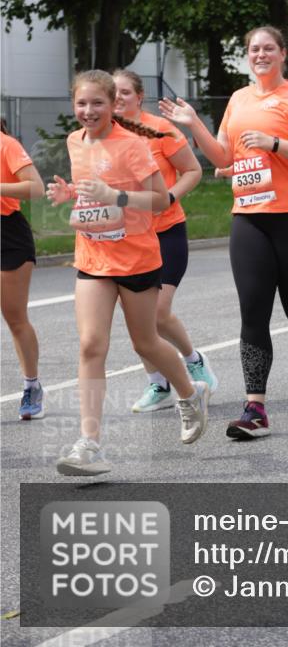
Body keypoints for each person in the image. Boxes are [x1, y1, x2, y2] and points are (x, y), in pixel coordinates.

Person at [160, 27, 288, 440]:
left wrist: (274, 143)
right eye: (254, 49)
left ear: (282, 54)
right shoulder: (238, 99)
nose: (261, 54)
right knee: (253, 312)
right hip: (249, 217)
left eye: (269, 48)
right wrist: (194, 124)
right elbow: (223, 155)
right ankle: (255, 409)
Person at [47, 70, 209, 476]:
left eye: (97, 103)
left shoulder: (133, 144)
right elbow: (92, 190)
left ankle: (190, 393)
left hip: (136, 259)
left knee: (146, 343)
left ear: (112, 105)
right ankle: (89, 445)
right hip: (93, 257)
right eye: (81, 103)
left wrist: (116, 197)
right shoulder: (75, 141)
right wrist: (70, 194)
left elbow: (159, 200)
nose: (88, 111)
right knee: (90, 345)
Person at [113, 70, 219, 412]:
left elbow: (193, 171)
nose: (118, 98)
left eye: (124, 92)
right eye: (112, 92)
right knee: (138, 320)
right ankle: (158, 385)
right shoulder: (105, 134)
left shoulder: (160, 129)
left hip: (166, 231)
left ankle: (193, 360)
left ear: (139, 96)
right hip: (128, 237)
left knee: (157, 312)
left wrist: (169, 197)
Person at [1, 121, 46, 420]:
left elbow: (36, 188)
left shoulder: (6, 144)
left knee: (15, 318)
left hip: (7, 235)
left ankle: (32, 386)